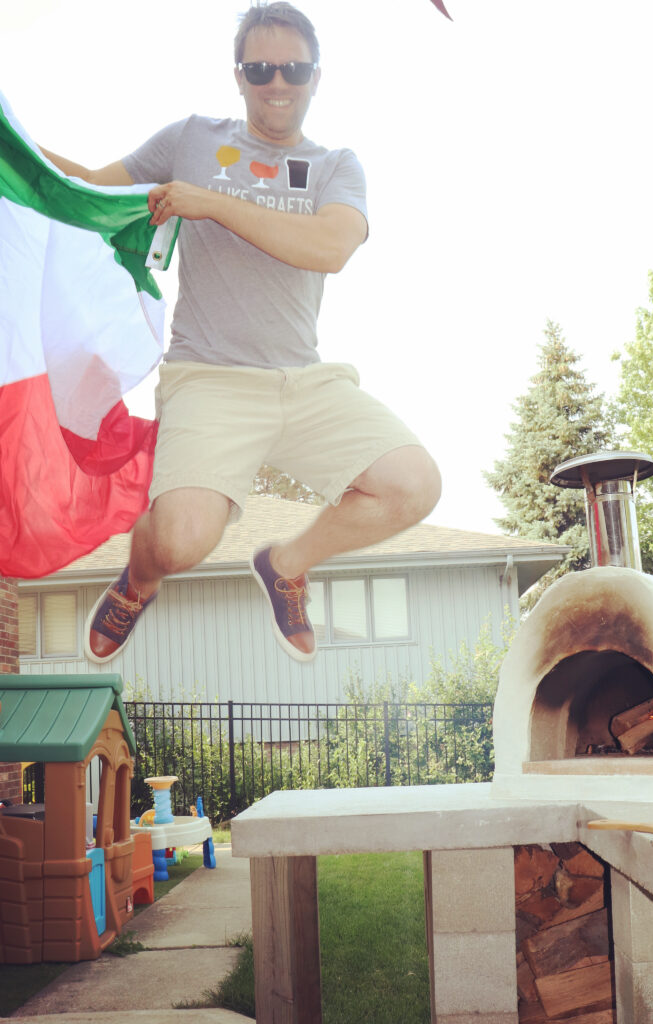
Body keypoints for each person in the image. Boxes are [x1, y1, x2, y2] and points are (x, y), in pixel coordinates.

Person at [40, 2, 441, 665]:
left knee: (414, 485)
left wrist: (213, 203)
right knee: (178, 543)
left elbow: (329, 247)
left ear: (316, 76)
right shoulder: (192, 138)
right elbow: (83, 186)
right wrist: (13, 140)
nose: (277, 84)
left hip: (305, 380)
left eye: (293, 69)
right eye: (260, 69)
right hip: (210, 378)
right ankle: (138, 583)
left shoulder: (338, 164)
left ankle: (287, 563)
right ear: (239, 75)